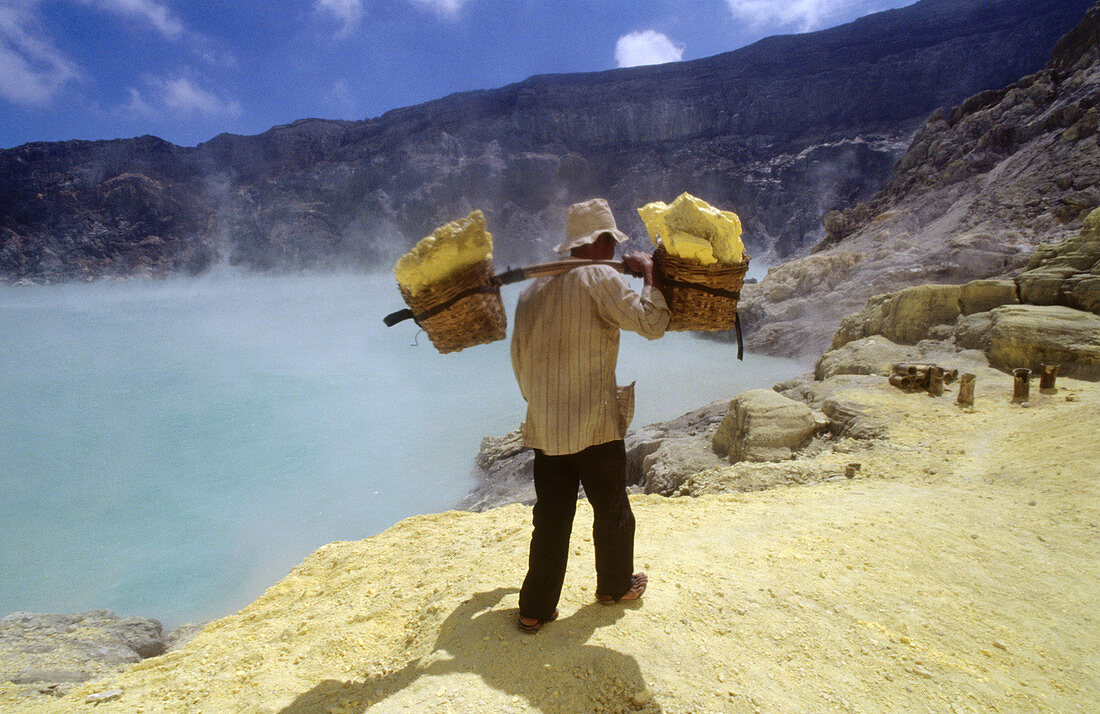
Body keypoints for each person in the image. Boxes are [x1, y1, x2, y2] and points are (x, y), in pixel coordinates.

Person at [510, 197, 670, 633]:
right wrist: (650, 273)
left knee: (551, 520)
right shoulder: (599, 276)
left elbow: (520, 363)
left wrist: (542, 406)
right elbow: (653, 323)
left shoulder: (532, 291)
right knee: (612, 510)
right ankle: (615, 587)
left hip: (547, 428)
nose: (615, 250)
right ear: (601, 242)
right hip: (596, 425)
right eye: (612, 241)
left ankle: (534, 609)